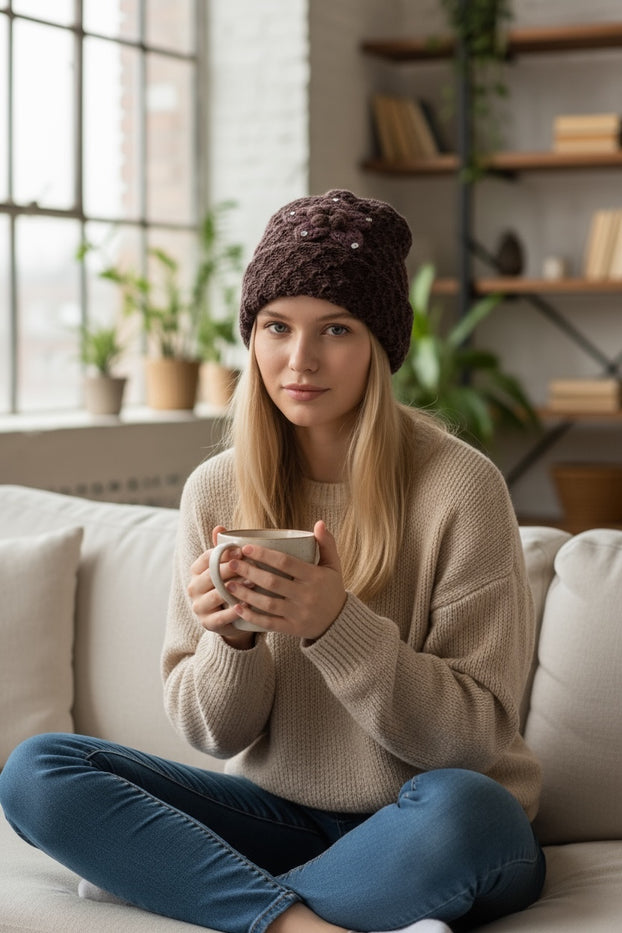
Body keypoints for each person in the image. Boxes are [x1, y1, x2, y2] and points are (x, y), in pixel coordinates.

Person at [0, 189, 545, 933]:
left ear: (379, 346)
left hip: (428, 822)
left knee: (470, 811)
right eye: (276, 326)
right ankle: (298, 922)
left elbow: (471, 740)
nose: (300, 359)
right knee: (39, 773)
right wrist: (231, 642)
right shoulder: (216, 489)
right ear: (252, 337)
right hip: (281, 815)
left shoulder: (461, 487)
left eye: (337, 329)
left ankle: (202, 890)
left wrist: (335, 625)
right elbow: (213, 733)